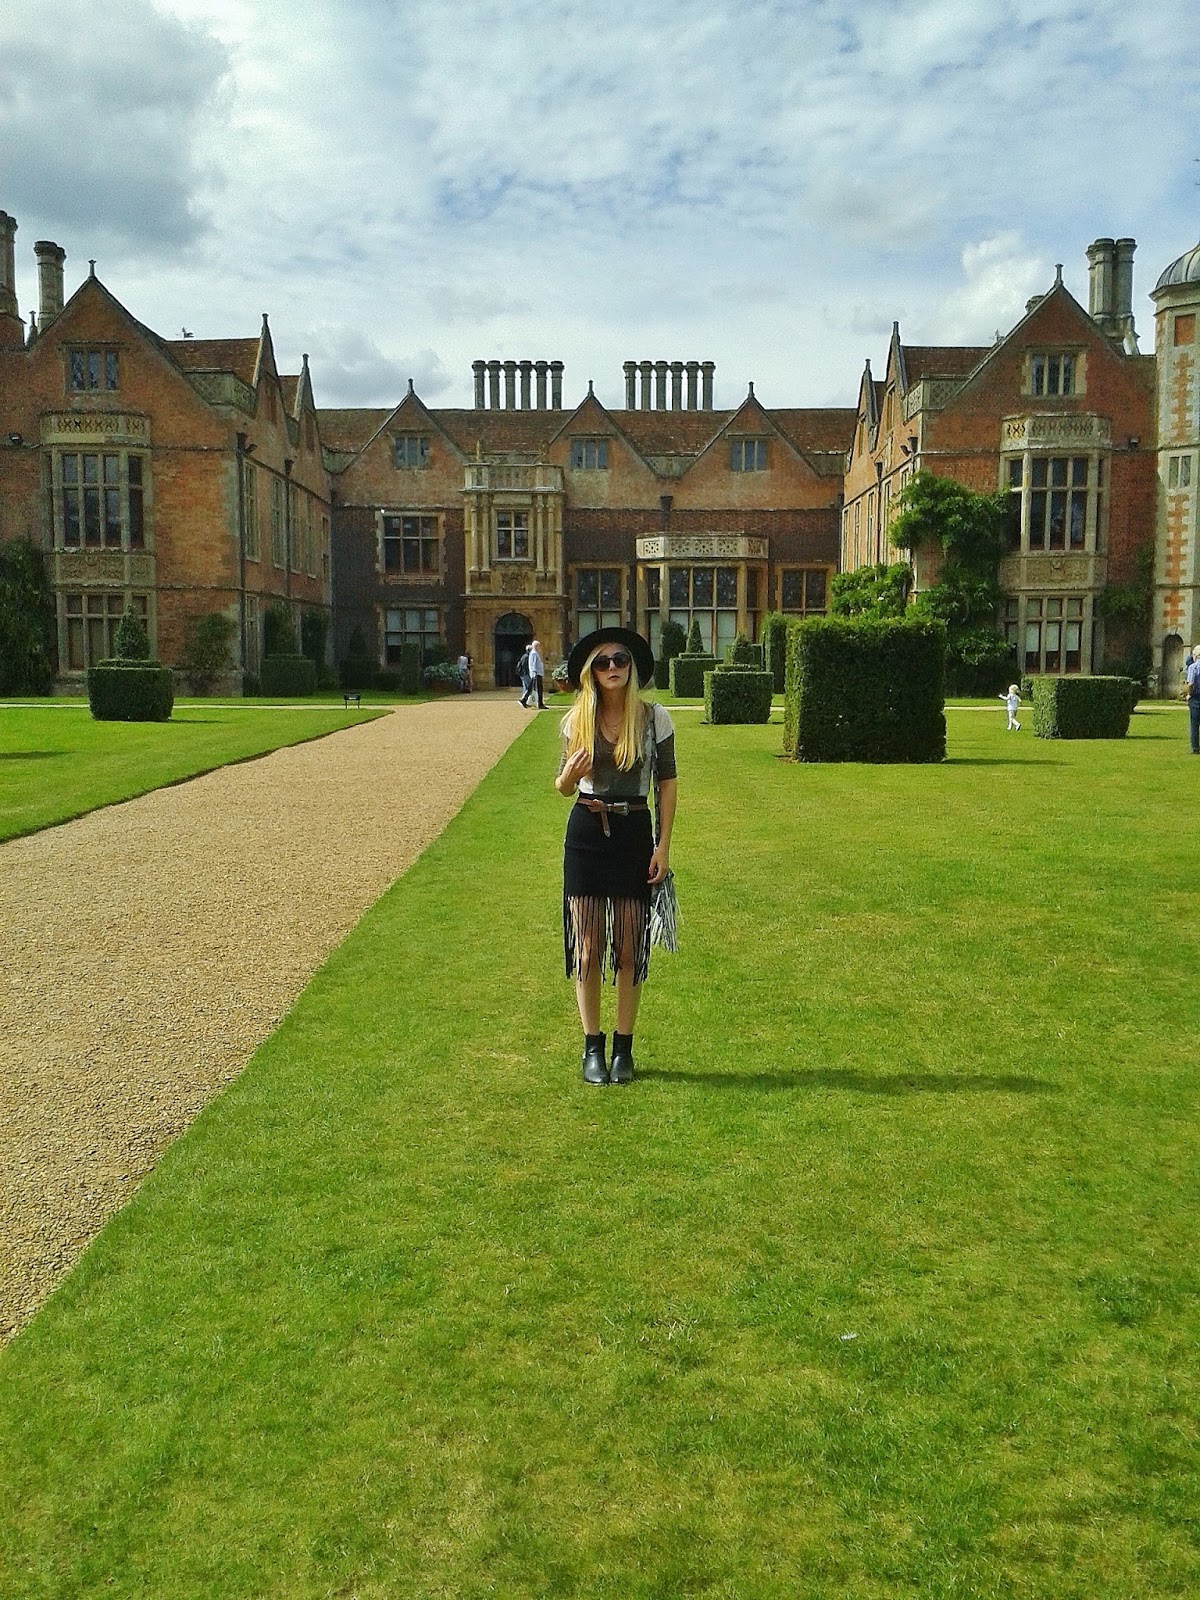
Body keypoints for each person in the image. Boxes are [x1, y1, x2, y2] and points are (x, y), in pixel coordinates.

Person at [555, 627, 677, 1086]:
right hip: (586, 833)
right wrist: (569, 776)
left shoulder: (654, 718)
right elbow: (562, 787)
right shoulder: (576, 721)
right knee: (587, 948)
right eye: (603, 662)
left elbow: (667, 782)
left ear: (631, 667)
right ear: (591, 671)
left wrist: (663, 846)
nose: (612, 668)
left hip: (633, 832)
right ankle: (593, 1047)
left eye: (620, 660)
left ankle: (623, 1048)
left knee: (629, 946)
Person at [523, 638, 547, 709]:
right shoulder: (534, 653)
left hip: (537, 674)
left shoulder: (535, 653)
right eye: (539, 646)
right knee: (537, 689)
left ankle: (538, 703)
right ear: (536, 646)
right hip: (536, 674)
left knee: (536, 689)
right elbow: (533, 665)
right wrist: (534, 674)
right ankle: (539, 703)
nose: (540, 647)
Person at [1187, 644, 1200, 754]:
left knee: (1194, 724)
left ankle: (1195, 747)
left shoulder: (1193, 667)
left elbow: (1190, 683)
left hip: (1196, 697)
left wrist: (1188, 694)